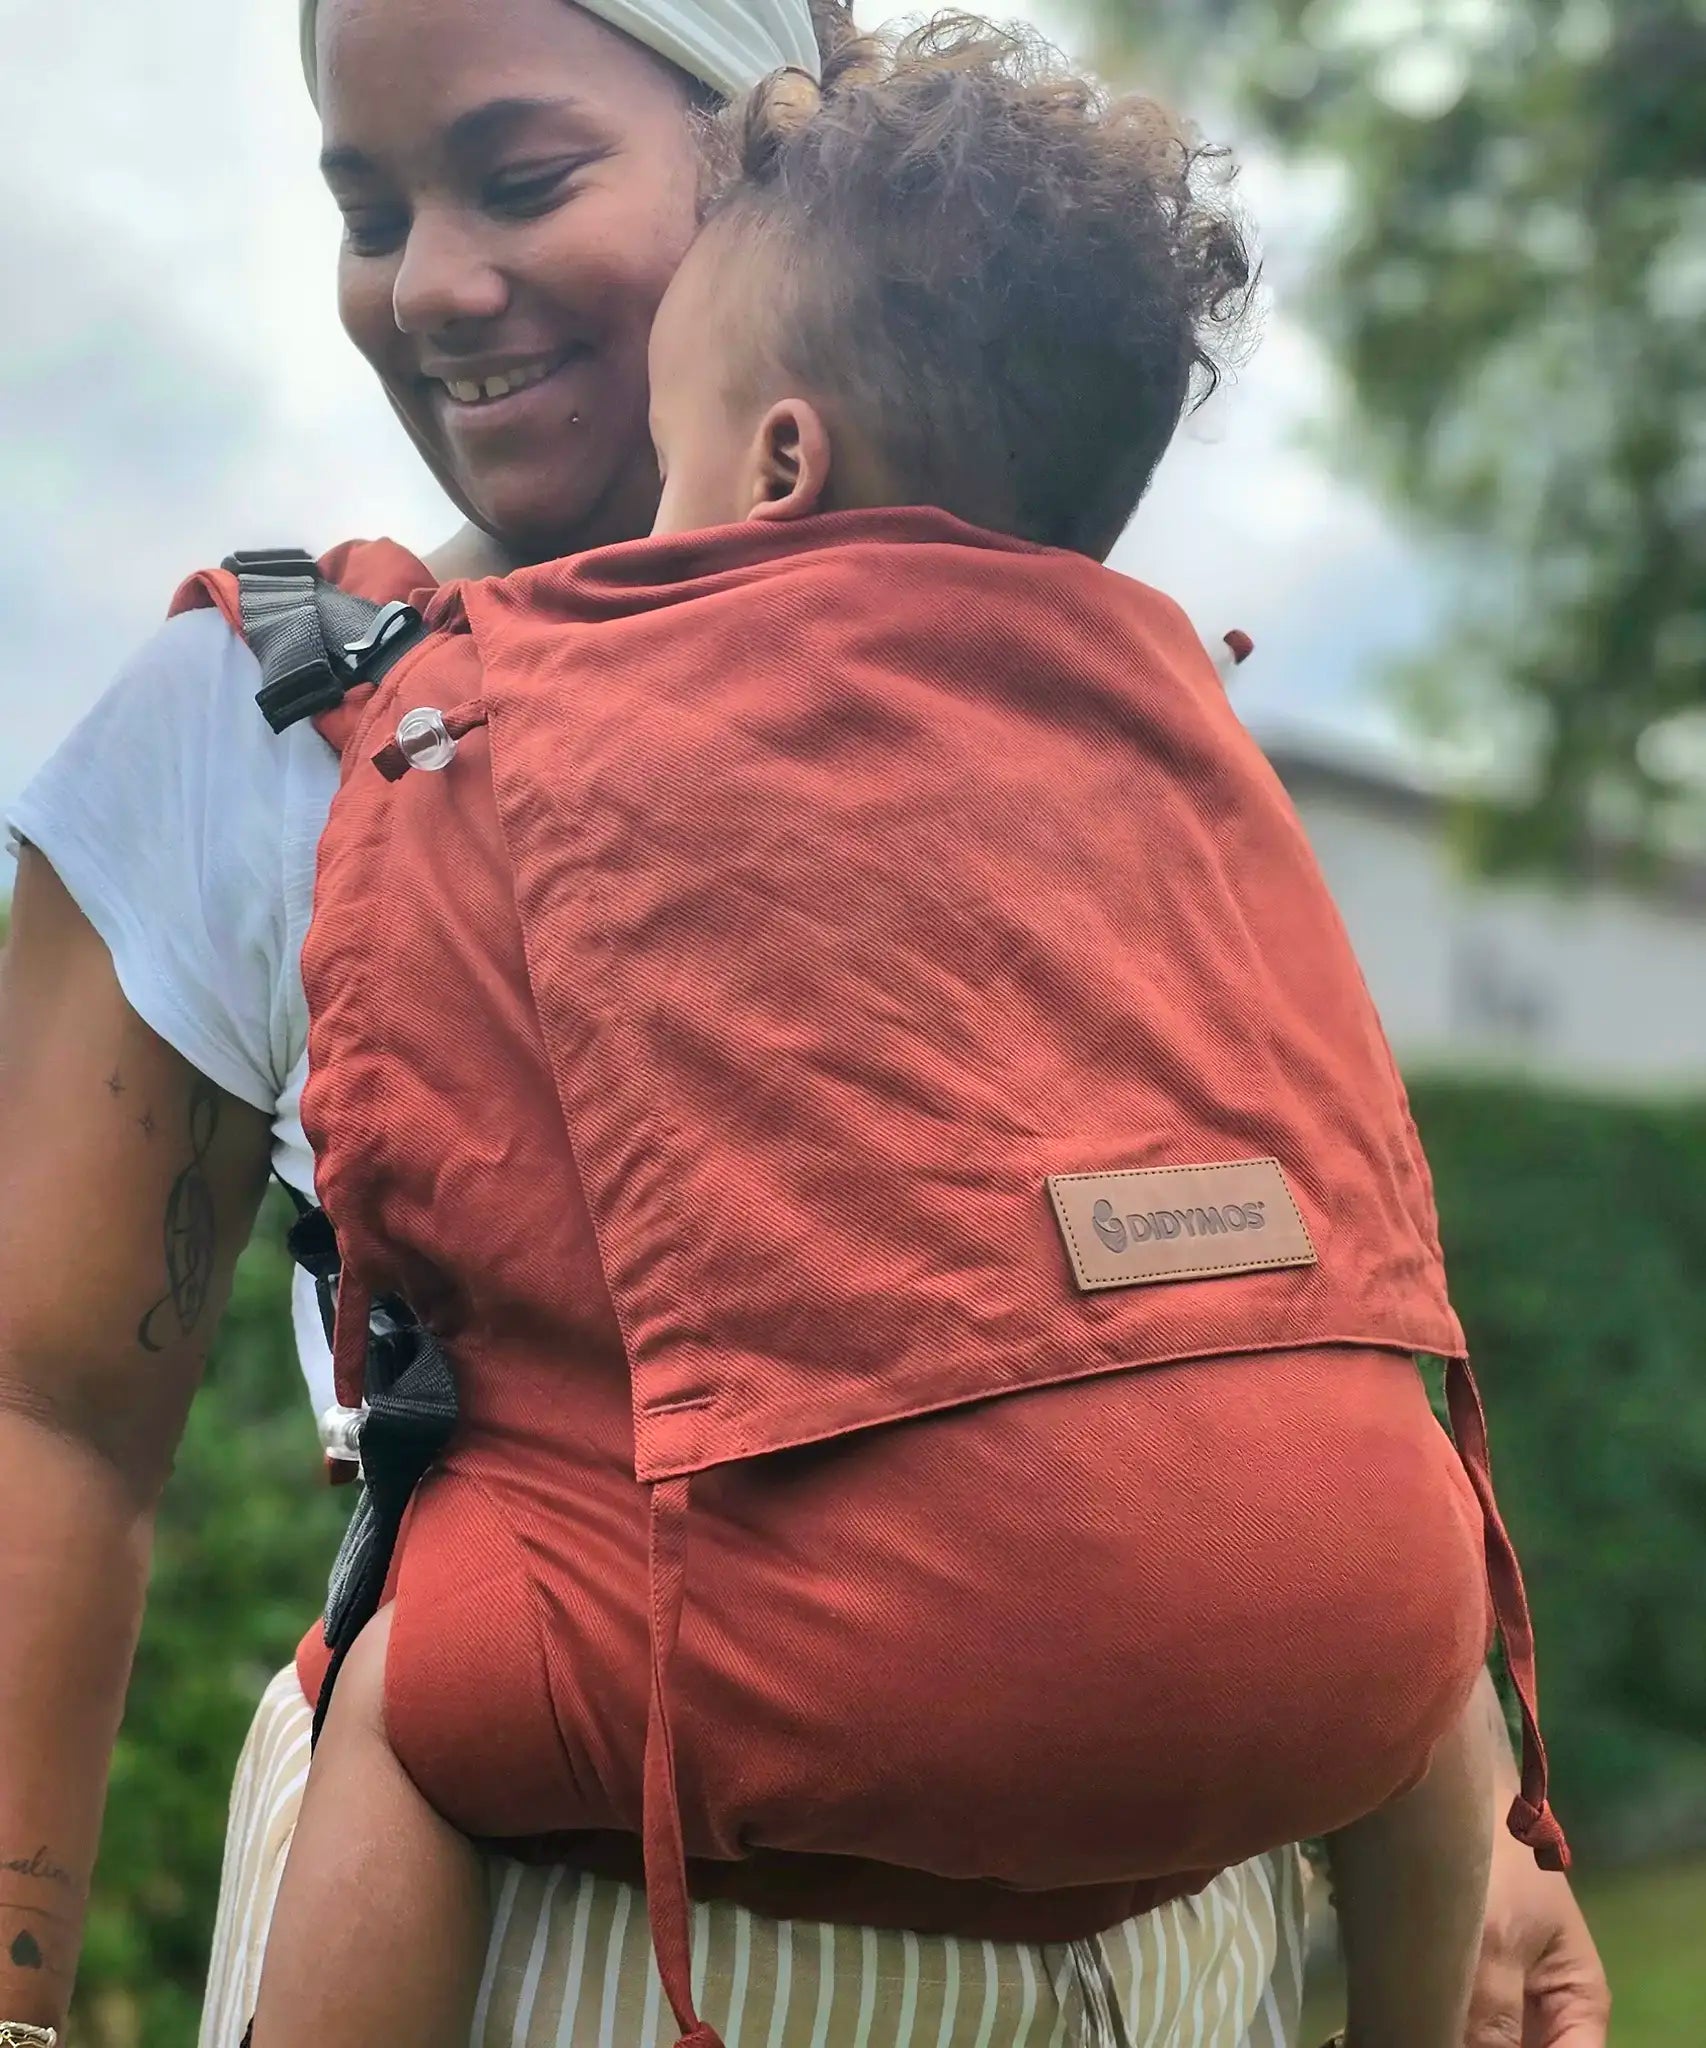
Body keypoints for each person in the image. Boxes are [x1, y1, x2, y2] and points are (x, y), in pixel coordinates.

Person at [0, 4, 1610, 2047]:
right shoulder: (259, 726)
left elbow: (1224, 1313)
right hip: (631, 1924)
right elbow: (46, 1415)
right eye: (368, 205)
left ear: (769, 155)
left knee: (409, 1703)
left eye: (520, 177)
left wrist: (1480, 1804)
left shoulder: (1075, 720)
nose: (431, 282)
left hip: (1081, 1925)